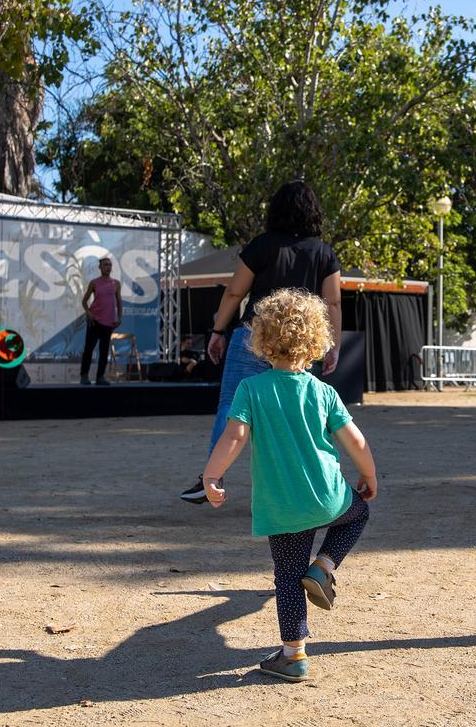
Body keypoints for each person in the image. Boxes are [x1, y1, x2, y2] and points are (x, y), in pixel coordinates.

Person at [200, 289, 377, 682]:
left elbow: (234, 436)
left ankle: (293, 655)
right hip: (330, 497)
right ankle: (326, 565)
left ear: (261, 339)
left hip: (283, 508)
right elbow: (356, 441)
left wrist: (211, 476)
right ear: (317, 339)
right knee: (359, 513)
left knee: (287, 577)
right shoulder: (323, 391)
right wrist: (369, 475)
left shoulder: (251, 389)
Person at [180, 180, 342, 504]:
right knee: (294, 415)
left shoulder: (261, 246)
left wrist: (216, 331)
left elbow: (235, 292)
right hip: (298, 345)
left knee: (232, 406)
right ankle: (298, 487)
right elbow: (333, 303)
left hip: (254, 337)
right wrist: (332, 345)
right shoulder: (324, 254)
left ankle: (211, 478)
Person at [80, 256, 123, 385]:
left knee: (104, 351)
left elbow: (119, 302)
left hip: (108, 322)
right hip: (94, 321)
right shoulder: (94, 283)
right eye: (105, 265)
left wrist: (120, 317)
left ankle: (100, 377)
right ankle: (84, 376)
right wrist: (88, 313)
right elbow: (84, 301)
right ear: (100, 267)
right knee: (89, 349)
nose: (108, 267)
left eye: (109, 265)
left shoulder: (116, 284)